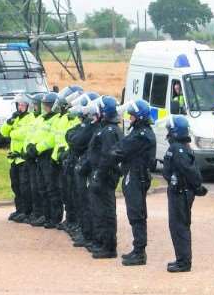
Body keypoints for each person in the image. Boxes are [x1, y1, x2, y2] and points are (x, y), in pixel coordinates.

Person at [108, 99, 156, 266]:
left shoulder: (142, 135)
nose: (129, 118)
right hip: (134, 175)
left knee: (137, 214)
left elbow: (121, 148)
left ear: (139, 117)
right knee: (135, 213)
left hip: (137, 176)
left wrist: (114, 153)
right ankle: (138, 250)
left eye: (132, 115)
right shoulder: (139, 132)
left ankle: (140, 252)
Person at [163, 115, 207, 272]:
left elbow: (189, 171)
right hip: (181, 192)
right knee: (178, 225)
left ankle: (184, 262)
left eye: (169, 130)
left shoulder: (178, 149)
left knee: (179, 226)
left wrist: (197, 186)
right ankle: (181, 259)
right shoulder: (181, 147)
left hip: (180, 193)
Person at [88, 96, 123, 259]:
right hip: (101, 174)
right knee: (98, 210)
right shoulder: (105, 128)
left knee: (106, 212)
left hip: (105, 176)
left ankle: (109, 247)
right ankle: (101, 242)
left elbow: (108, 157)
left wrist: (98, 175)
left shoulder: (110, 131)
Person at [66, 92, 100, 249]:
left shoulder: (93, 126)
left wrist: (73, 138)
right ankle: (84, 230)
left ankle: (88, 233)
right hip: (80, 164)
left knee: (87, 203)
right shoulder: (87, 124)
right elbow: (71, 136)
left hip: (87, 168)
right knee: (79, 200)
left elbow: (78, 141)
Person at [51, 85, 83, 232]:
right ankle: (70, 219)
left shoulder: (76, 118)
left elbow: (75, 139)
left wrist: (66, 152)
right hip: (61, 159)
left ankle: (75, 221)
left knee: (74, 192)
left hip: (71, 159)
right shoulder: (63, 118)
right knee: (65, 192)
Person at [27, 92, 61, 229]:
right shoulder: (42, 118)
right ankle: (46, 216)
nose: (45, 107)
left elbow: (52, 139)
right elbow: (34, 133)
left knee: (51, 188)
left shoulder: (56, 119)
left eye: (48, 105)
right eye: (44, 105)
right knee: (42, 188)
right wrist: (30, 146)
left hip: (47, 156)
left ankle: (55, 218)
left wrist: (38, 148)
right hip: (39, 156)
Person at [1, 93, 34, 223]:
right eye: (19, 105)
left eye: (23, 105)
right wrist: (9, 122)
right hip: (14, 158)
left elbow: (23, 134)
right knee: (15, 186)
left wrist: (12, 132)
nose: (20, 107)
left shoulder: (30, 118)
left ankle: (27, 211)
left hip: (23, 157)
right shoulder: (16, 118)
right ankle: (19, 209)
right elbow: (3, 132)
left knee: (24, 186)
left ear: (27, 106)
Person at [23, 93, 46, 227]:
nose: (34, 107)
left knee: (39, 187)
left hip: (38, 156)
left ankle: (41, 213)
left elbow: (42, 137)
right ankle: (36, 212)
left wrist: (35, 150)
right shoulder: (34, 118)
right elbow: (29, 136)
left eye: (36, 105)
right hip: (31, 155)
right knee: (33, 186)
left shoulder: (43, 119)